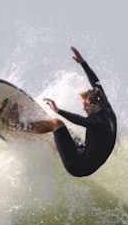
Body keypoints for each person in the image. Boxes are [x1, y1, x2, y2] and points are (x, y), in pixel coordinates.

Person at [15, 46, 118, 177]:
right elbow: (97, 84)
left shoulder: (97, 121)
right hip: (86, 156)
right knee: (68, 133)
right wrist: (83, 63)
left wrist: (58, 110)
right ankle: (54, 144)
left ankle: (17, 126)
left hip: (77, 166)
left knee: (56, 123)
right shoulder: (106, 108)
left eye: (85, 105)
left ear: (93, 104)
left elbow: (80, 120)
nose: (83, 108)